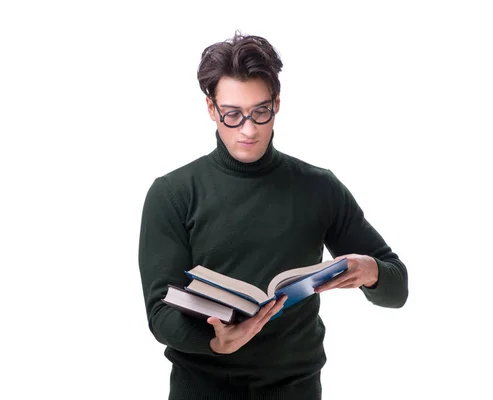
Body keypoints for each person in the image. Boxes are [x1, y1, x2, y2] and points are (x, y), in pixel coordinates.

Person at [138, 32, 408, 399]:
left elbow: (397, 288)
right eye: (232, 114)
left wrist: (372, 272)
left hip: (294, 388)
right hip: (201, 387)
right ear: (210, 109)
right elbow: (160, 312)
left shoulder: (319, 187)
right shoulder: (172, 193)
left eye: (260, 111)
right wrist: (217, 342)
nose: (248, 129)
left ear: (277, 103)